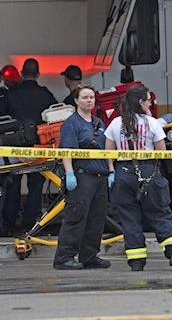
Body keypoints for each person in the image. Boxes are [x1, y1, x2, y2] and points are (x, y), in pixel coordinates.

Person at [105, 85, 172, 272]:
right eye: (149, 100)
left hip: (123, 173)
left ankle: (137, 262)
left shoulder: (115, 123)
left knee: (129, 218)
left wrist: (112, 173)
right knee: (160, 213)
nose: (150, 103)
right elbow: (162, 153)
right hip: (149, 171)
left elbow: (108, 154)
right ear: (141, 102)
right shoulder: (152, 123)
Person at [0, 58, 58, 235]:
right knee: (36, 187)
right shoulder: (45, 94)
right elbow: (56, 115)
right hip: (39, 147)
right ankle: (30, 226)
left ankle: (8, 226)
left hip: (15, 148)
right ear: (38, 74)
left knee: (13, 186)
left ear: (21, 73)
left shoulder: (11, 94)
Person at [53, 84, 113, 270]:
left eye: (91, 97)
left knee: (96, 219)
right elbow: (67, 150)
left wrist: (111, 170)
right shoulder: (72, 123)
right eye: (85, 97)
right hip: (82, 177)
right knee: (76, 217)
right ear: (76, 101)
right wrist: (69, 173)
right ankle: (64, 258)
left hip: (100, 176)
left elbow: (107, 150)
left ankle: (89, 256)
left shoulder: (99, 123)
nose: (89, 100)